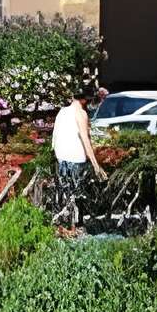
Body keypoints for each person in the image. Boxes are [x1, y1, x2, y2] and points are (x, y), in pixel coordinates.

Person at [49, 85, 95, 223]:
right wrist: (95, 163)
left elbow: (55, 136)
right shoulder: (81, 113)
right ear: (85, 100)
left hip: (61, 156)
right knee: (78, 194)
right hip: (76, 157)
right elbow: (85, 138)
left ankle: (64, 222)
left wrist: (56, 153)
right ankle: (77, 224)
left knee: (64, 191)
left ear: (72, 97)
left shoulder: (62, 112)